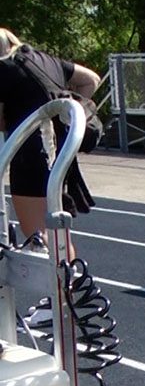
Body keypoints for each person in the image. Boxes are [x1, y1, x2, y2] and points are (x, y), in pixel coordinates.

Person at [0, 29, 98, 262]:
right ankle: (67, 289)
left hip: (29, 153)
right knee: (57, 233)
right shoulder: (45, 60)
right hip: (59, 152)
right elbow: (91, 79)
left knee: (39, 233)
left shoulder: (4, 69)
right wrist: (74, 113)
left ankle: (62, 289)